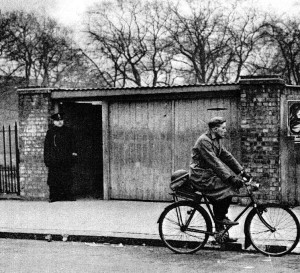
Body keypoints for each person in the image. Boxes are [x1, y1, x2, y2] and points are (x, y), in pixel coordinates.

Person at [189, 117, 249, 240]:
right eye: (223, 128)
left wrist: (241, 172)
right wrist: (231, 178)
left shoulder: (216, 140)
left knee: (219, 200)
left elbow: (227, 156)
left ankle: (220, 234)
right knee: (228, 187)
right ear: (215, 129)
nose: (225, 130)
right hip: (201, 176)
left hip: (208, 175)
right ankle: (221, 219)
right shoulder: (204, 141)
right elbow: (214, 162)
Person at [44, 112, 78, 202]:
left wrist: (73, 155)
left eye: (61, 120)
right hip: (54, 160)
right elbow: (47, 147)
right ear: (54, 122)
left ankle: (68, 196)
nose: (60, 122)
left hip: (66, 159)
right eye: (57, 120)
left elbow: (73, 144)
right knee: (54, 179)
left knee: (67, 178)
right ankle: (54, 197)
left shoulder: (69, 131)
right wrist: (47, 159)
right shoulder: (50, 132)